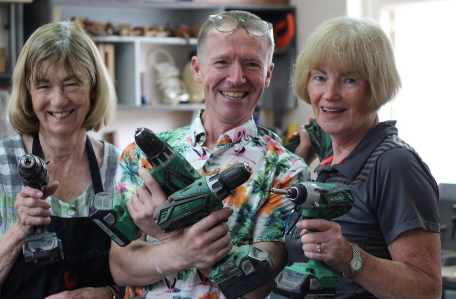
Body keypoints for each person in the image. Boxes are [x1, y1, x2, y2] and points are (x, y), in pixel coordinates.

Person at [108, 10, 311, 299]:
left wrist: (170, 234)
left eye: (251, 64)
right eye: (222, 62)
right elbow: (120, 266)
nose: (236, 77)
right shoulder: (140, 156)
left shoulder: (286, 170)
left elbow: (255, 285)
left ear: (268, 74)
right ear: (197, 69)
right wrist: (183, 248)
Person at [0, 21, 123, 299]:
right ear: (28, 94)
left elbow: (154, 277)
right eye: (43, 86)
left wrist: (107, 295)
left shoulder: (120, 169)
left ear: (93, 89)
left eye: (71, 84)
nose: (58, 100)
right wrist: (18, 231)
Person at [284, 16, 441, 298]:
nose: (329, 94)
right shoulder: (328, 161)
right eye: (320, 77)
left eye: (349, 80)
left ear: (376, 86)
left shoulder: (395, 164)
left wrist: (350, 257)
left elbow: (427, 290)